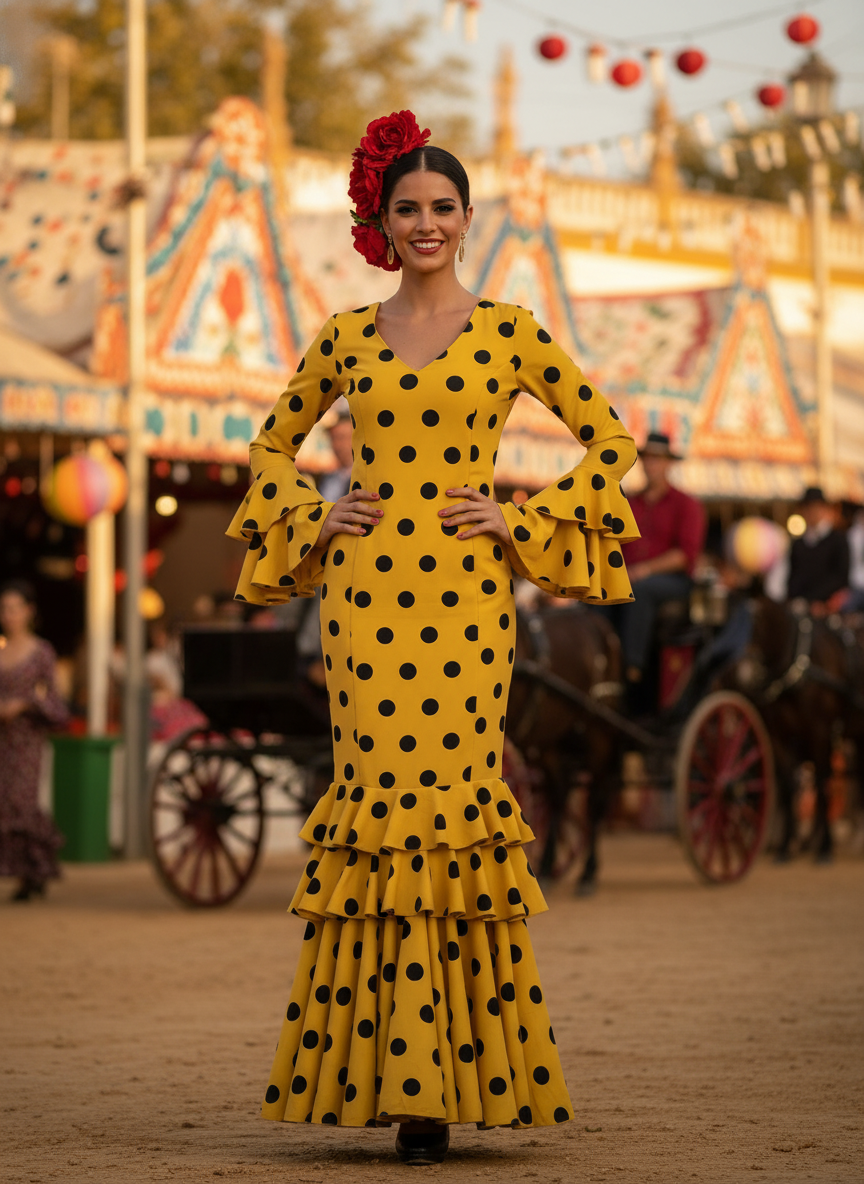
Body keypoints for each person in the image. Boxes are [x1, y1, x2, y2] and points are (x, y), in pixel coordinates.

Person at [226, 111, 639, 1165]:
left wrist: (524, 518)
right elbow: (269, 442)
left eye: (443, 207)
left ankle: (449, 1080)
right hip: (365, 602)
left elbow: (611, 439)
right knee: (375, 812)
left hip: (464, 599)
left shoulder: (510, 329)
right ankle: (394, 1078)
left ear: (467, 218)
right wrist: (318, 517)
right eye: (407, 208)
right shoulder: (345, 336)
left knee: (452, 813)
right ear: (381, 218)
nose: (425, 223)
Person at [0, 580, 69, 901]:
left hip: (27, 737)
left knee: (21, 802)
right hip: (2, 737)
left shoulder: (41, 652)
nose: (8, 615)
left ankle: (37, 867)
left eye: (14, 608)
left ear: (29, 612)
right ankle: (24, 872)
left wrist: (26, 704)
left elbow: (55, 701)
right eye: (4, 608)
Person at [619, 432, 706, 684]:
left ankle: (633, 667)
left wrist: (645, 569)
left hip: (673, 582)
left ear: (669, 463)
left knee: (641, 591)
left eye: (658, 459)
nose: (651, 464)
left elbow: (685, 555)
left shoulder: (686, 504)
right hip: (628, 576)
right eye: (648, 458)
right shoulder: (629, 502)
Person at [295, 407, 355, 685]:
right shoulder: (327, 480)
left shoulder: (367, 480)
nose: (340, 444)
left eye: (345, 437)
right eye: (336, 438)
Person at [787, 487, 849, 614]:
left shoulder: (838, 539)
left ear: (824, 509)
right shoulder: (798, 543)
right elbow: (793, 575)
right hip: (801, 605)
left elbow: (841, 576)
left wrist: (821, 601)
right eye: (807, 508)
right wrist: (799, 599)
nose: (811, 512)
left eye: (815, 507)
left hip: (828, 606)